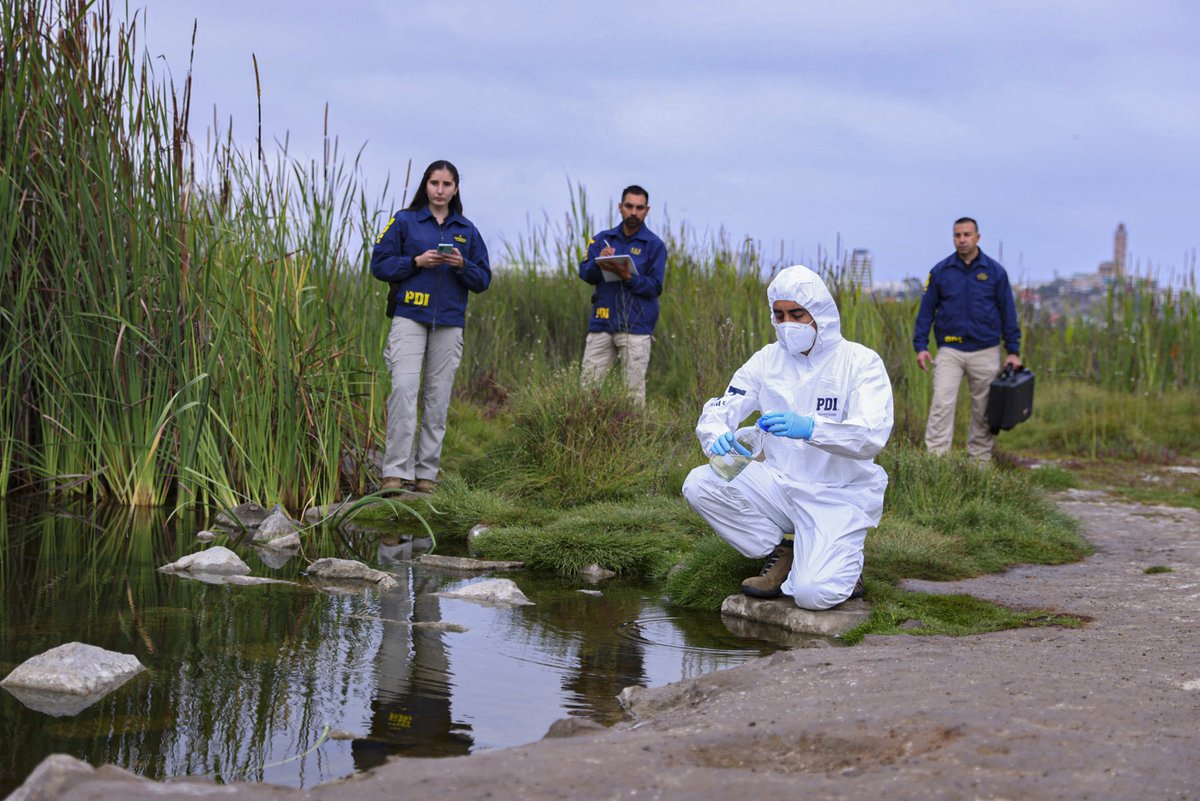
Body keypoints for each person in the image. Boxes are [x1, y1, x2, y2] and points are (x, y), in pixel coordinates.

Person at [682, 265, 894, 610]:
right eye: (779, 315)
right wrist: (717, 433)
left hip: (836, 495)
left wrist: (811, 429)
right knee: (700, 483)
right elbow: (724, 405)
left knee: (812, 595)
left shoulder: (860, 362)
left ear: (820, 313)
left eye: (797, 314)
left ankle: (845, 563)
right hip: (779, 484)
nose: (787, 324)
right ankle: (781, 551)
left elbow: (871, 435)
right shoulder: (768, 360)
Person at [369, 160, 491, 493]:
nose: (440, 190)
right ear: (426, 185)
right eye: (435, 183)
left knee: (437, 400)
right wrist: (416, 262)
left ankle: (426, 476)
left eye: (447, 184)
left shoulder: (467, 230)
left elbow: (483, 279)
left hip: (449, 322)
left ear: (455, 189)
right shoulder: (404, 221)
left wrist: (462, 265)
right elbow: (379, 264)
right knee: (404, 391)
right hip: (410, 315)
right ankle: (394, 473)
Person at [913, 217, 1022, 463]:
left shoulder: (995, 272)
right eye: (957, 235)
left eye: (967, 235)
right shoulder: (940, 272)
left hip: (985, 350)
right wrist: (921, 346)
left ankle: (979, 464)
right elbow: (926, 312)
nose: (962, 240)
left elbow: (1008, 313)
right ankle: (936, 462)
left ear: (977, 237)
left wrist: (1013, 351)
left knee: (983, 410)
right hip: (950, 350)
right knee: (941, 404)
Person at [577, 185, 667, 404]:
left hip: (636, 326)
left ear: (647, 210)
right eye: (629, 206)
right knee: (587, 389)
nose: (633, 212)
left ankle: (634, 427)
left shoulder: (654, 245)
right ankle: (584, 426)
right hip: (602, 322)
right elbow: (585, 273)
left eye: (639, 208)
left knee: (633, 395)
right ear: (620, 207)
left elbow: (655, 287)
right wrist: (599, 261)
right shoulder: (602, 239)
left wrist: (628, 277)